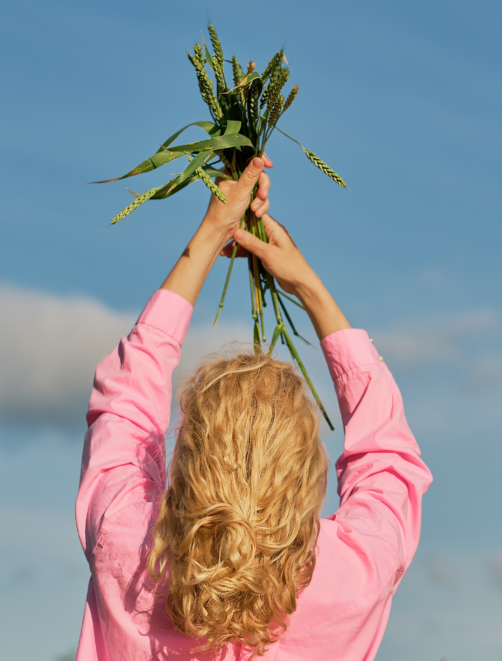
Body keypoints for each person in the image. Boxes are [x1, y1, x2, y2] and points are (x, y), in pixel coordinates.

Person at [74, 155, 433, 660]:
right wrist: (309, 286)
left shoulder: (128, 545)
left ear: (189, 453)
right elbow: (388, 459)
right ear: (306, 466)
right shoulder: (355, 572)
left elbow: (125, 409)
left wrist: (208, 236)